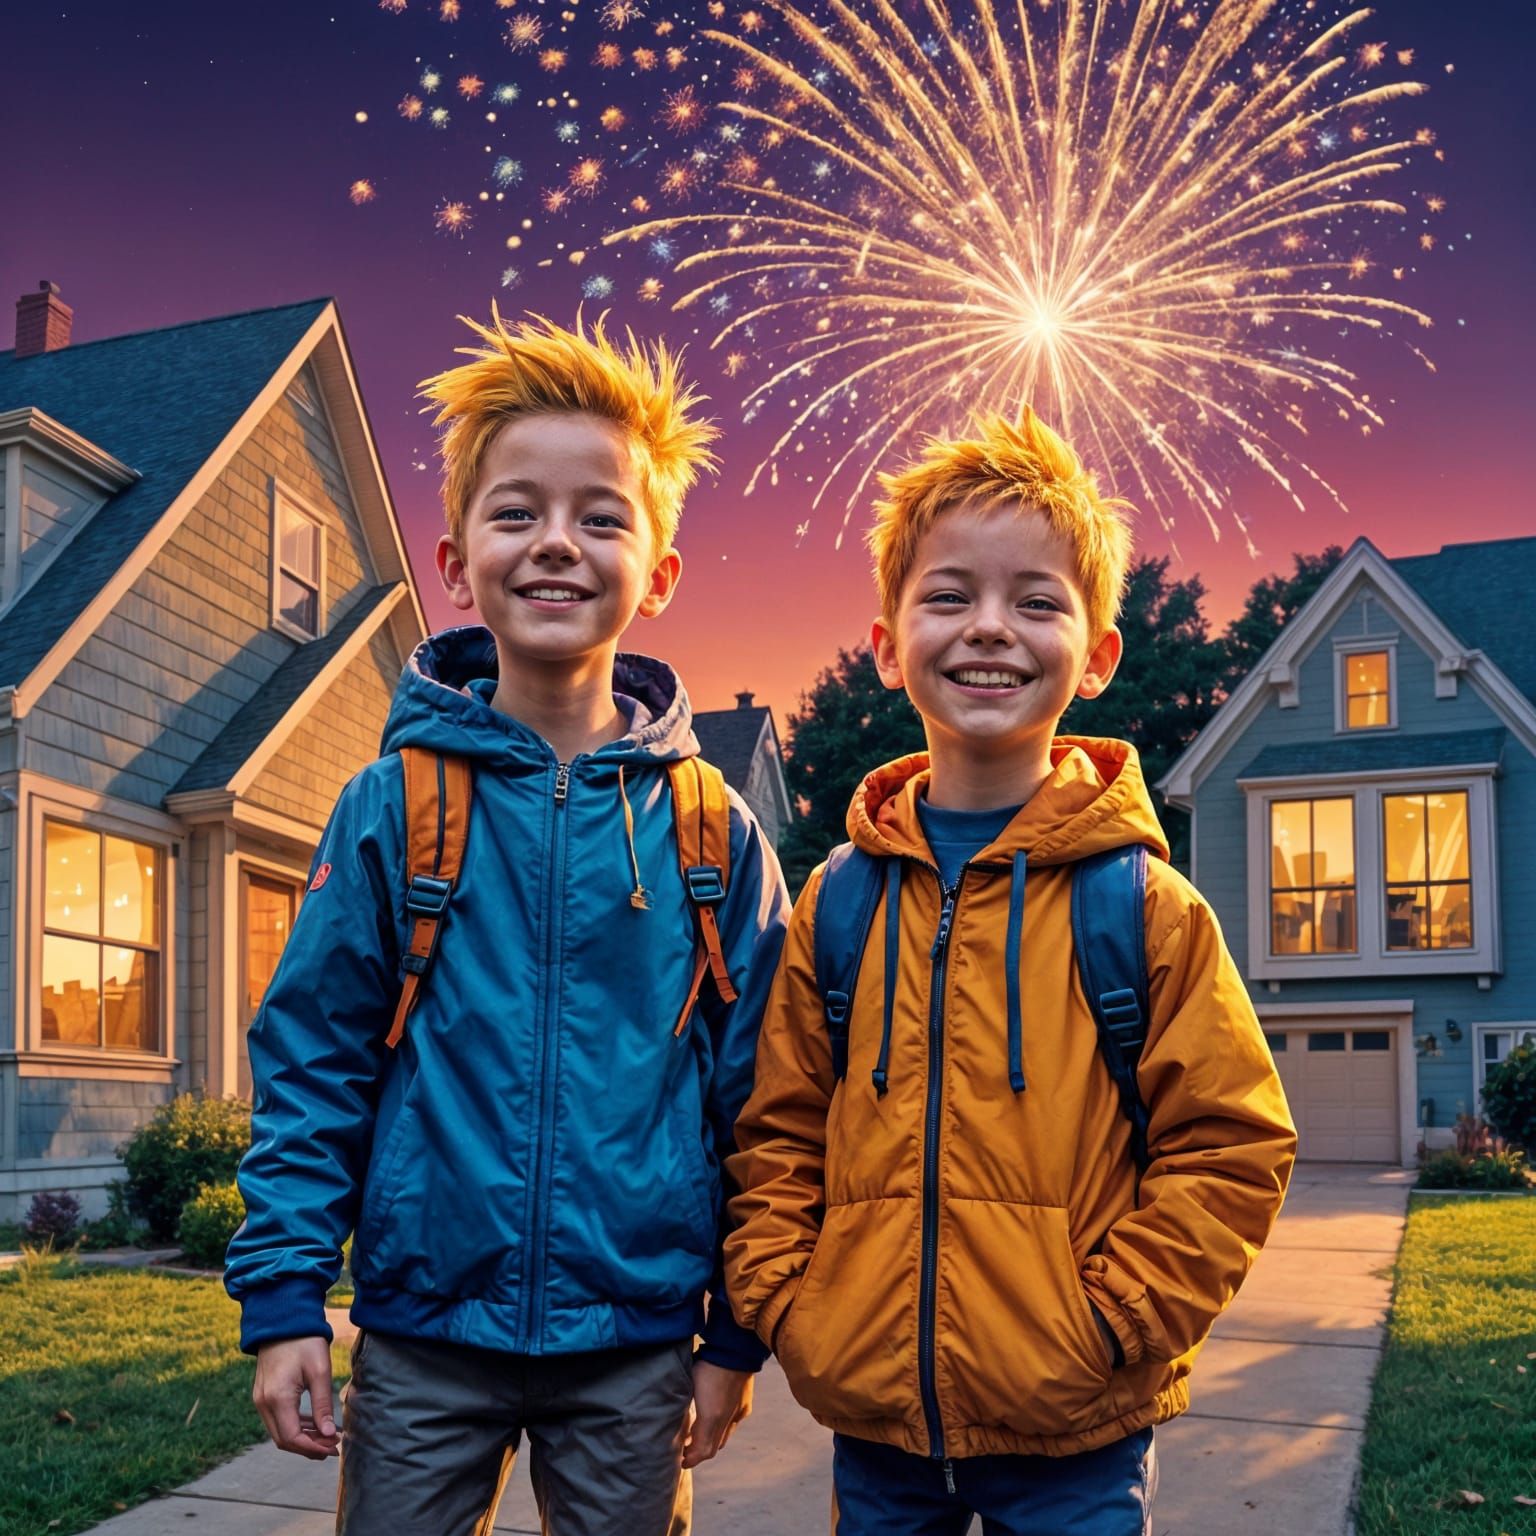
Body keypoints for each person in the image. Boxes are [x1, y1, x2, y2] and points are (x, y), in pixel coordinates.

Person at [225, 309, 790, 1536]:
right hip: (427, 1339)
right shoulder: (394, 806)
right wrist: (282, 1303)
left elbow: (766, 1102)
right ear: (455, 556)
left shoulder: (711, 831)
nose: (557, 546)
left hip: (636, 1343)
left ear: (661, 570)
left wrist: (737, 1333)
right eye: (517, 512)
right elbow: (313, 1063)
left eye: (601, 518)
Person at [723, 407, 1297, 1535]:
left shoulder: (1144, 910)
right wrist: (794, 1303)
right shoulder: (839, 903)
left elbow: (1233, 1143)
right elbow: (773, 1130)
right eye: (949, 596)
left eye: (1037, 601)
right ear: (888, 643)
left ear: (1096, 656)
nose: (991, 628)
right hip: (876, 1429)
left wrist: (1116, 1320)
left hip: (1078, 1432)